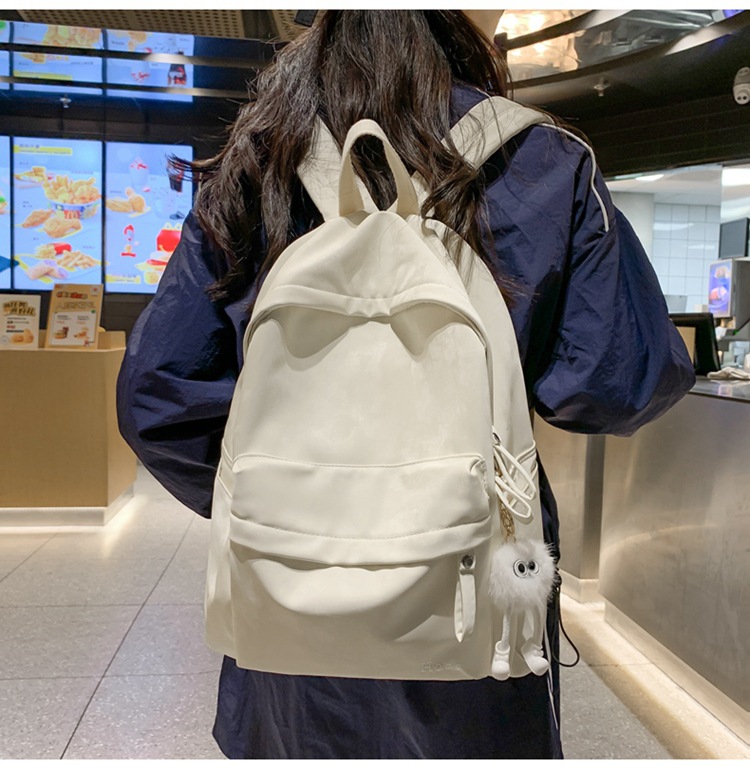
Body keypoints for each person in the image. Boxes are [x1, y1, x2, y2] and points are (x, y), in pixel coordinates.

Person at [116, 10, 695, 759]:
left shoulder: (257, 156)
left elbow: (158, 394)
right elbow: (620, 381)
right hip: (471, 594)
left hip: (289, 600)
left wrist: (286, 501)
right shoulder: (543, 161)